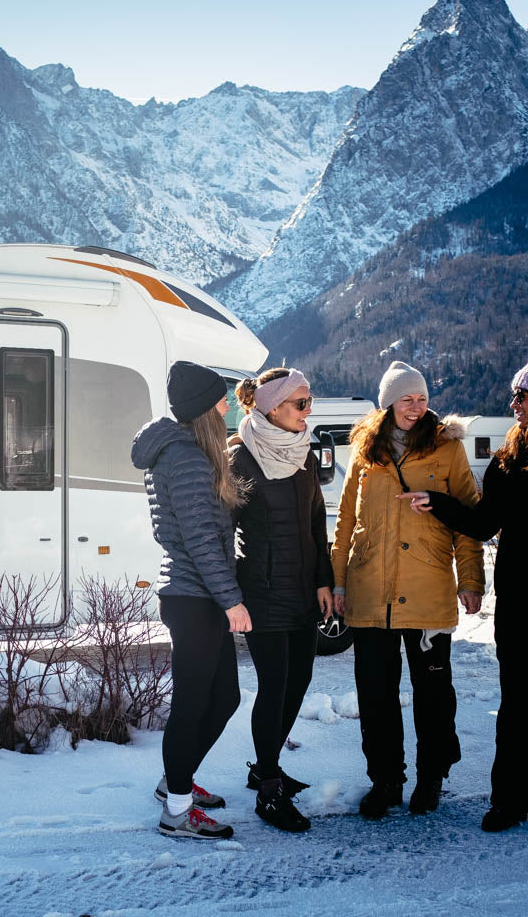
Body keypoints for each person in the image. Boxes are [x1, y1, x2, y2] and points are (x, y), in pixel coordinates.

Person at [397, 354, 528, 832]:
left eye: (521, 396)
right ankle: (509, 801)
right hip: (522, 593)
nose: (513, 405)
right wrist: (438, 503)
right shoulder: (510, 460)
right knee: (517, 701)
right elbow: (484, 523)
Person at [331, 361, 484, 818]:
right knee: (375, 695)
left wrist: (471, 579)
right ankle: (385, 780)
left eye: (422, 398)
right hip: (369, 592)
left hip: (428, 589)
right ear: (388, 404)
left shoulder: (447, 449)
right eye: (406, 399)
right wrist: (338, 582)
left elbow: (469, 521)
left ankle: (431, 776)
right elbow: (345, 522)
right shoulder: (364, 451)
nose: (416, 407)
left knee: (433, 695)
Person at [131, 360, 252, 840]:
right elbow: (201, 540)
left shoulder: (191, 453)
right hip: (194, 597)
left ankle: (175, 783)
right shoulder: (185, 458)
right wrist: (232, 601)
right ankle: (177, 812)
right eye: (221, 402)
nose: (227, 409)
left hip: (198, 595)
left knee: (224, 697)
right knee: (191, 704)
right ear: (204, 409)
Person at [229, 368, 334, 833]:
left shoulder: (304, 454)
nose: (309, 411)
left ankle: (264, 766)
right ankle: (269, 789)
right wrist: (229, 595)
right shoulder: (240, 457)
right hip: (262, 591)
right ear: (272, 408)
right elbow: (222, 530)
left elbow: (316, 521)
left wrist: (324, 580)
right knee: (274, 686)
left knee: (299, 680)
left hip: (303, 589)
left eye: (310, 401)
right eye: (301, 403)